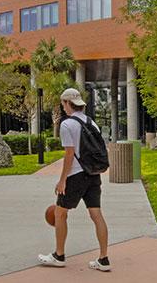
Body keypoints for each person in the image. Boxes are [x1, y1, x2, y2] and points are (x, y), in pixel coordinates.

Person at [38, 88, 110, 272]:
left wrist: (62, 180)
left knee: (60, 213)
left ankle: (59, 255)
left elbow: (69, 154)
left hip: (76, 175)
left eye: (63, 104)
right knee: (96, 215)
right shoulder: (90, 121)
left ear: (68, 103)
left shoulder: (67, 124)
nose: (63, 107)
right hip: (93, 173)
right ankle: (103, 259)